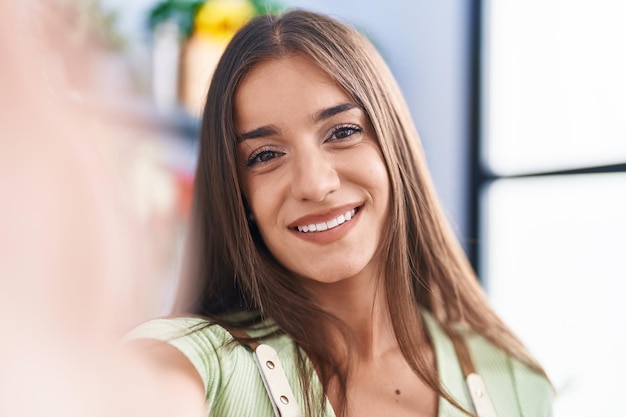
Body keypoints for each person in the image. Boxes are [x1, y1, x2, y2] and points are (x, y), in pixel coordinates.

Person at [127, 9, 553, 417]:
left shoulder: (514, 381)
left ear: (394, 147)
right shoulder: (197, 365)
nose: (314, 184)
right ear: (239, 195)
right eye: (266, 155)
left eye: (343, 132)